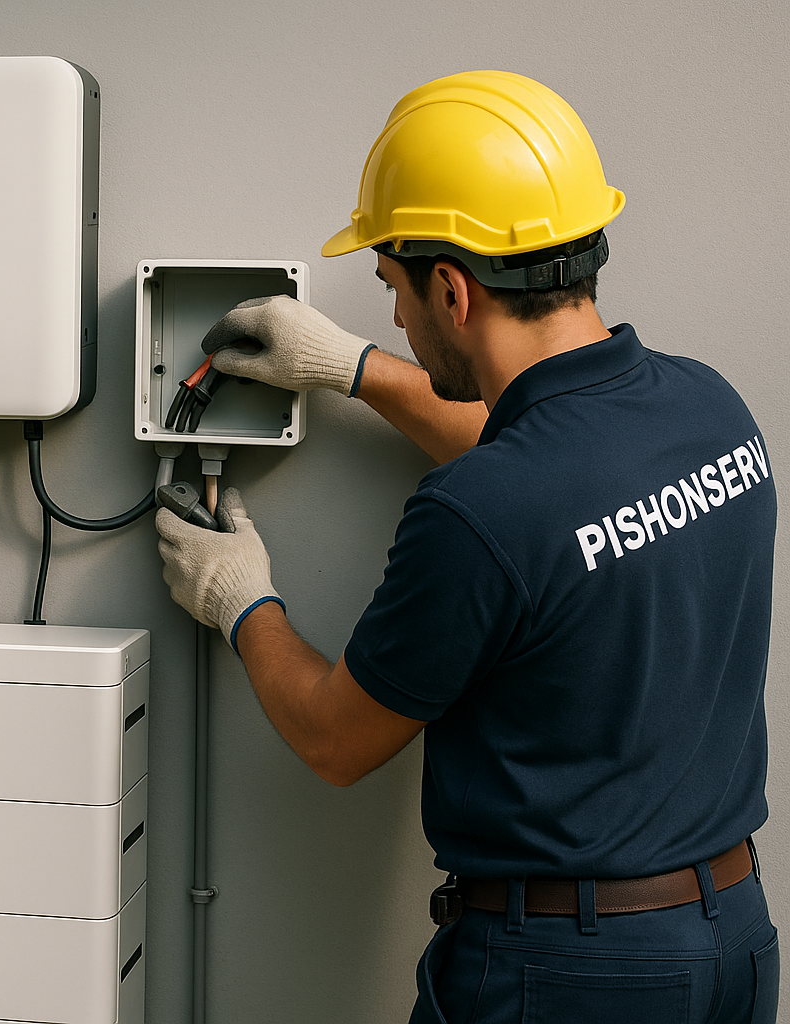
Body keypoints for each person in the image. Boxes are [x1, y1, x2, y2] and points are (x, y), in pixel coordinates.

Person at [156, 71, 777, 1023]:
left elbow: (334, 739)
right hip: (732, 941)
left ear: (450, 289)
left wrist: (242, 600)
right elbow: (551, 483)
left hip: (569, 979)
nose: (394, 316)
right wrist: (353, 369)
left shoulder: (474, 514)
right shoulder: (710, 408)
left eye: (392, 292)